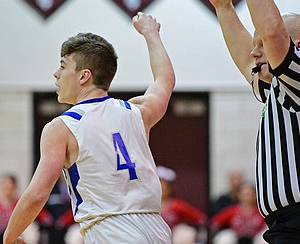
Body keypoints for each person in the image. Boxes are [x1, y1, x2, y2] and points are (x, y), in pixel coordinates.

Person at [3, 12, 175, 244]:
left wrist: (10, 236)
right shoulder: (137, 111)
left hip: (111, 232)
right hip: (157, 230)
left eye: (63, 66)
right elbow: (165, 80)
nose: (56, 74)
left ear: (84, 76)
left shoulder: (62, 127)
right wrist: (151, 33)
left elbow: (37, 195)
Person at [205, 0, 300, 243]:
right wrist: (223, 6)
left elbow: (272, 31)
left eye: (262, 45)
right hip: (287, 225)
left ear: (298, 48)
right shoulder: (276, 90)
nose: (254, 52)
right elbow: (246, 61)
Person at [157, 166, 207, 244]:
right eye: (158, 185)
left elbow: (200, 218)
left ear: (170, 188)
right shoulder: (147, 205)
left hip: (174, 238)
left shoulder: (177, 205)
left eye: (164, 186)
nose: (161, 188)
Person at [0, 174, 19, 244]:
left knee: (31, 234)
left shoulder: (19, 202)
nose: (6, 186)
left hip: (17, 232)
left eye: (8, 184)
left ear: (14, 186)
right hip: (1, 231)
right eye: (4, 183)